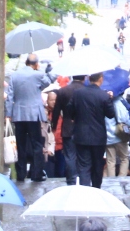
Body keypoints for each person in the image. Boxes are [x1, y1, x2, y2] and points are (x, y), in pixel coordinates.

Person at [6, 54, 53, 182]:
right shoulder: (38, 75)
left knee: (20, 144)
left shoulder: (15, 75)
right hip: (33, 114)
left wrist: (8, 114)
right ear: (36, 64)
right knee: (36, 144)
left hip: (19, 114)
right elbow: (48, 81)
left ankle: (20, 174)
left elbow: (10, 96)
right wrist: (41, 70)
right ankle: (36, 174)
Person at [67, 72, 116, 187]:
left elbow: (69, 110)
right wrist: (110, 100)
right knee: (98, 164)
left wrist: (75, 117)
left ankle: (85, 188)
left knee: (83, 165)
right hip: (98, 136)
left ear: (89, 78)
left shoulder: (78, 93)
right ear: (101, 79)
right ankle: (96, 188)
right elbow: (111, 114)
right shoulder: (104, 95)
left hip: (81, 134)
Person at [51, 74, 86, 184]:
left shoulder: (63, 91)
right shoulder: (86, 90)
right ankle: (83, 179)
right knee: (83, 156)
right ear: (84, 77)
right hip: (84, 128)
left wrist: (54, 125)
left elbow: (56, 111)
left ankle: (71, 179)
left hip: (67, 127)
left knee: (70, 156)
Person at [105, 92, 130, 177]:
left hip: (108, 135)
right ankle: (122, 178)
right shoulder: (119, 102)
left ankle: (111, 180)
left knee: (110, 160)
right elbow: (125, 119)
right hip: (119, 135)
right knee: (124, 158)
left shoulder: (104, 102)